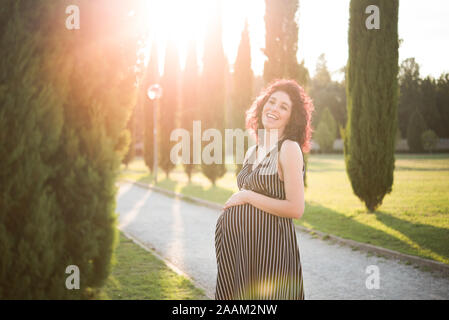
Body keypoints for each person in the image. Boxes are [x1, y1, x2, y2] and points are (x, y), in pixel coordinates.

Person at [214, 79, 314, 300]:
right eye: (272, 102)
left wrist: (248, 196)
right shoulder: (254, 150)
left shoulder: (288, 149)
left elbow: (296, 208)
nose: (274, 108)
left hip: (269, 251)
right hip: (241, 252)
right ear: (262, 105)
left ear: (292, 117)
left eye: (283, 107)